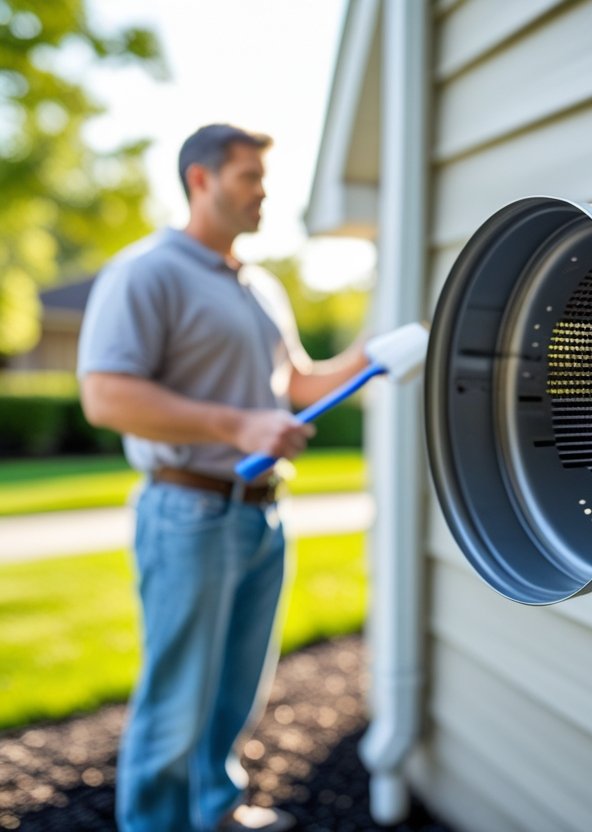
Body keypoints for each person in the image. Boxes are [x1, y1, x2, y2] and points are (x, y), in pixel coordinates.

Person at [78, 124, 369, 832]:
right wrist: (237, 426)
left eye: (265, 179)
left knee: (238, 691)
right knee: (177, 700)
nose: (264, 193)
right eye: (250, 178)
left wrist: (376, 350)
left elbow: (297, 381)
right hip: (188, 513)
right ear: (201, 180)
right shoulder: (146, 272)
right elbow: (105, 395)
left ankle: (214, 811)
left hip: (263, 514)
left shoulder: (261, 285)